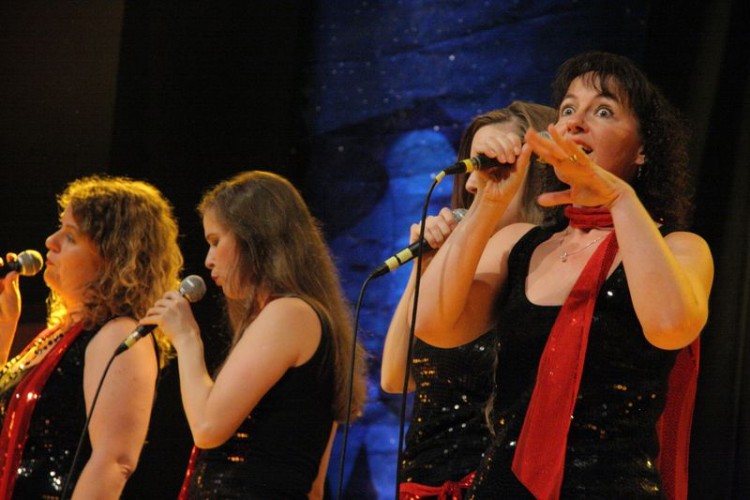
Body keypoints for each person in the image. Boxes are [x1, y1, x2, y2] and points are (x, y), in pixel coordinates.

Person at [413, 51, 713, 499]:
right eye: (568, 109)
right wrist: (489, 202)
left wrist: (619, 199)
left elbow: (671, 327)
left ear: (643, 149)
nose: (575, 122)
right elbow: (433, 326)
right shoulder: (520, 244)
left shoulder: (679, 247)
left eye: (603, 111)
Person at [140, 170, 367, 499]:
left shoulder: (289, 314)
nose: (208, 260)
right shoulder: (300, 316)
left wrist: (187, 338)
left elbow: (207, 427)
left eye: (216, 242)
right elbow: (315, 487)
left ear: (255, 239)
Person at [380, 101, 564, 499]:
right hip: (421, 485)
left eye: (488, 164)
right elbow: (394, 376)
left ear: (535, 173)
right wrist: (424, 267)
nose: (472, 184)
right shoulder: (461, 264)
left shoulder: (539, 258)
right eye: (471, 167)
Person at [0, 175, 183, 499]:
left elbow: (114, 462)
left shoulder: (119, 335)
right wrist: (5, 323)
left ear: (113, 259)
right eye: (59, 229)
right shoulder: (62, 333)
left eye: (70, 236)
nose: (51, 241)